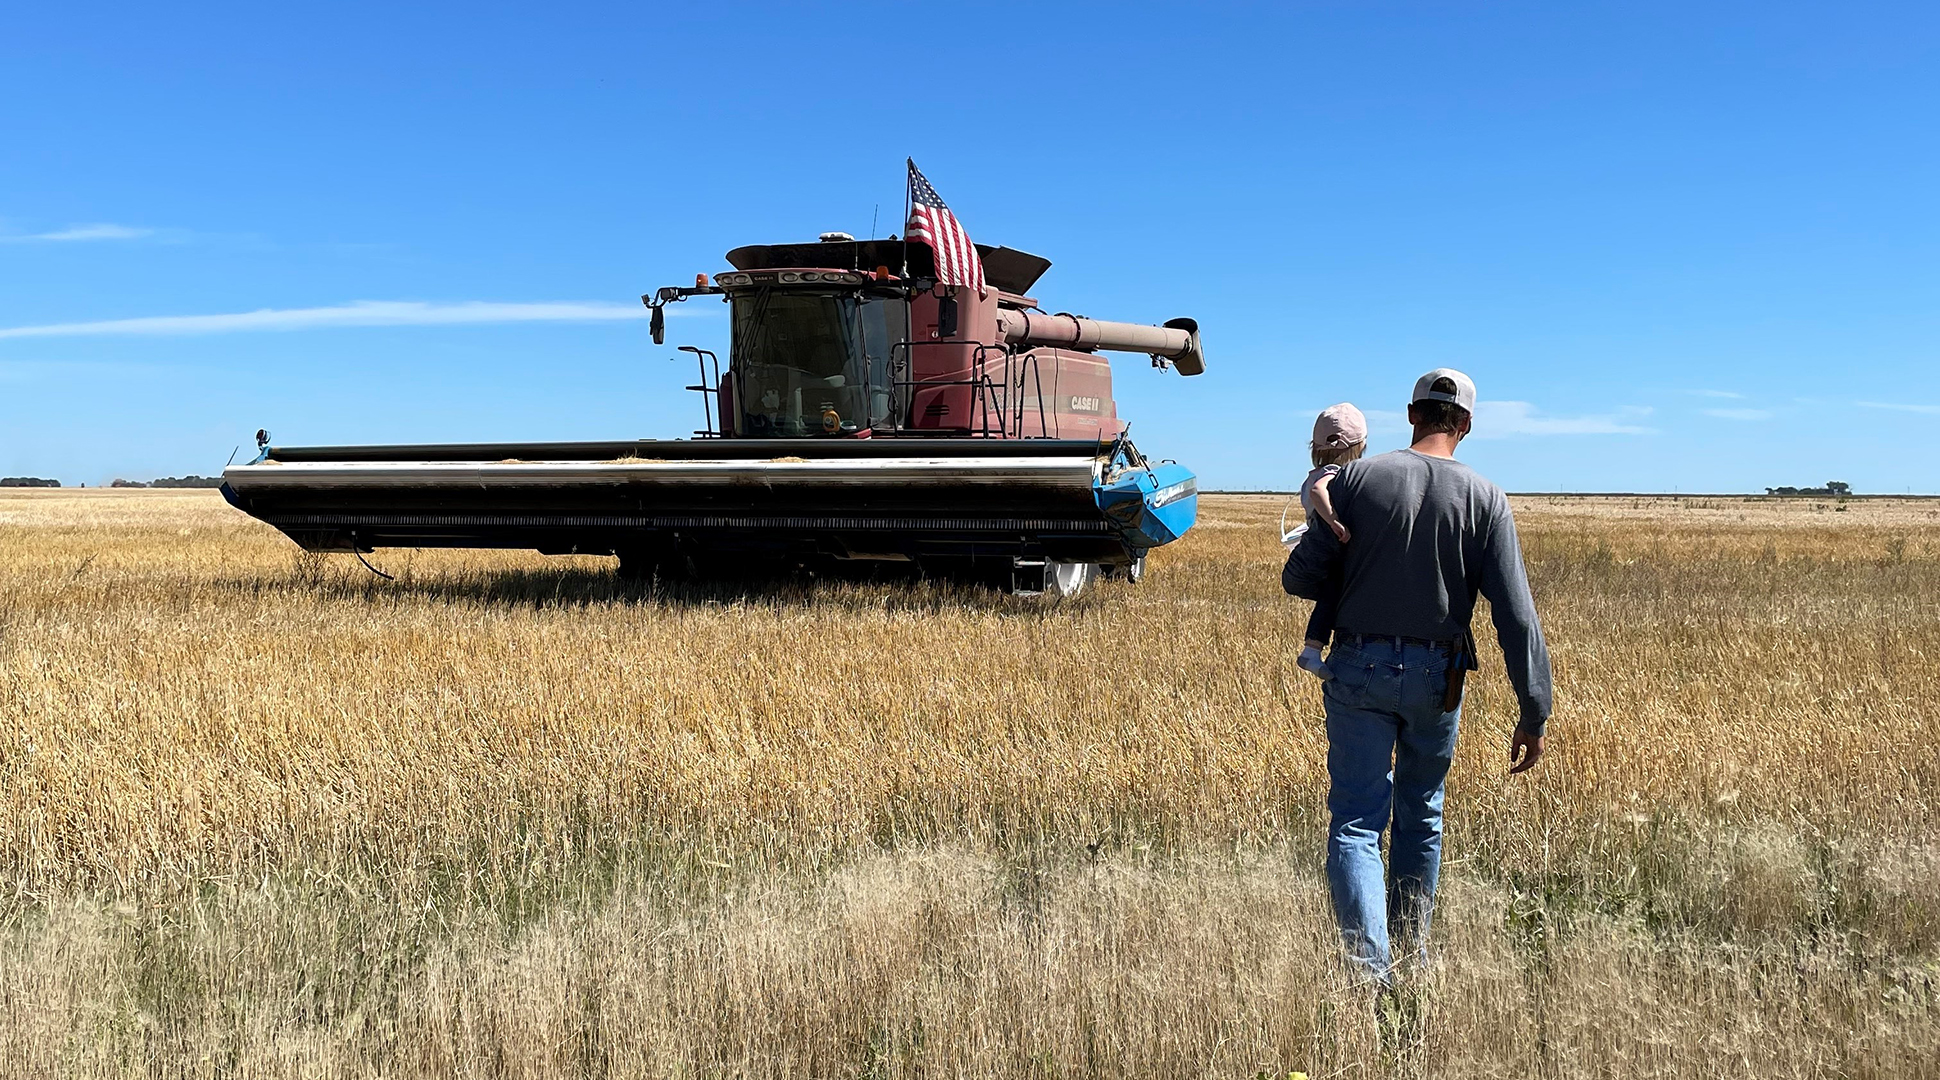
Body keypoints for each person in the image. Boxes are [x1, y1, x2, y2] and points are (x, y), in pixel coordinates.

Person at [1281, 368, 1553, 983]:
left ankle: (1367, 976)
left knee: (1355, 821)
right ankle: (1411, 959)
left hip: (1357, 665)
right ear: (1466, 425)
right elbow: (1515, 615)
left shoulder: (1356, 479)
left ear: (1410, 414)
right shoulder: (1486, 498)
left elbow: (1300, 579)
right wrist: (1534, 709)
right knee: (1422, 812)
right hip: (1440, 675)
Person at [1282, 403, 1365, 680]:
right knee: (1337, 593)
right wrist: (1335, 522)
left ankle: (1311, 651)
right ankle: (1311, 650)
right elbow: (1320, 492)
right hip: (1324, 547)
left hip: (1311, 546)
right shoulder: (1332, 474)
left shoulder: (1313, 473)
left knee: (1331, 596)